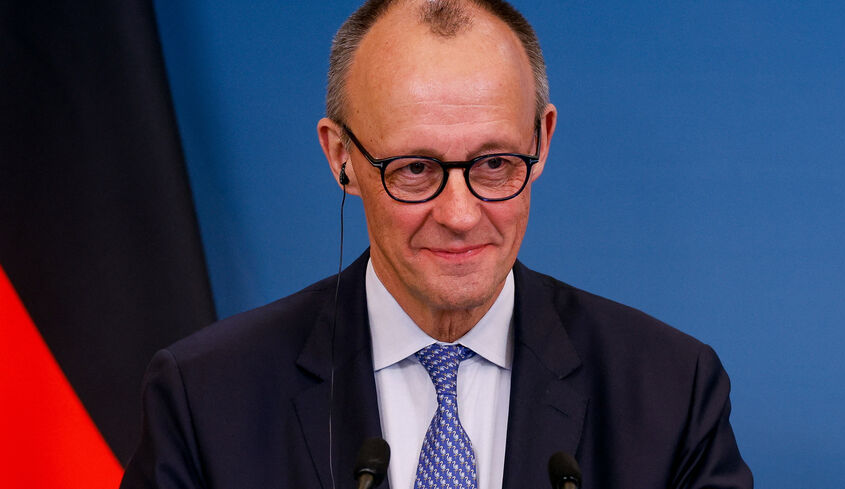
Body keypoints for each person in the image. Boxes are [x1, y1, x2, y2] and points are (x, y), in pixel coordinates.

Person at [120, 1, 753, 488]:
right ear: (342, 158)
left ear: (544, 142)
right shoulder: (204, 399)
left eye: (496, 164)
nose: (459, 214)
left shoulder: (671, 393)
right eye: (416, 168)